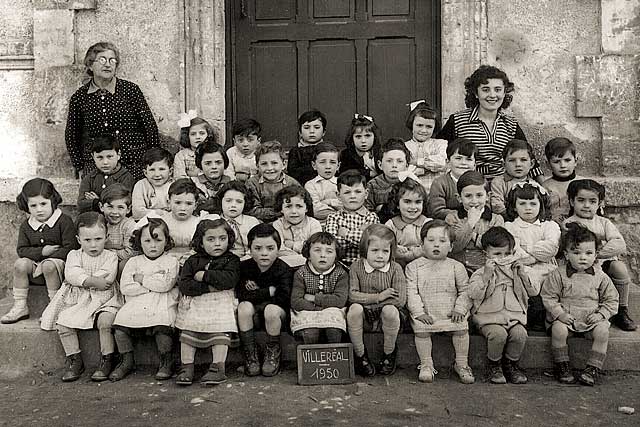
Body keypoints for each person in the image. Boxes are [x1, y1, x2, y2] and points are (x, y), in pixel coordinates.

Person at [41, 212, 122, 382]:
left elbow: (107, 278)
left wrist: (88, 280)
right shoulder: (74, 255)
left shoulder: (111, 256)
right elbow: (71, 274)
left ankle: (107, 358)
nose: (93, 245)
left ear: (106, 237)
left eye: (98, 239)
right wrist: (90, 280)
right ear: (79, 240)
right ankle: (74, 359)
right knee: (63, 322)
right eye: (87, 240)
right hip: (79, 298)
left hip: (104, 298)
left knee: (106, 322)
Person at [65, 42, 159, 180]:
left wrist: (152, 162)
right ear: (90, 65)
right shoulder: (79, 97)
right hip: (97, 166)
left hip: (133, 163)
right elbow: (72, 136)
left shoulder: (130, 90)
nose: (108, 64)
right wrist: (79, 166)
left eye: (112, 60)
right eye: (102, 59)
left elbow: (149, 127)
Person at [436, 65, 544, 183]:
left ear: (504, 93)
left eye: (497, 90)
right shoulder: (458, 121)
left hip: (504, 185)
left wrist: (543, 186)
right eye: (485, 90)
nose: (492, 95)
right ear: (476, 93)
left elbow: (529, 157)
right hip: (469, 186)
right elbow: (439, 152)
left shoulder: (511, 124)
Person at [541, 222, 619, 386]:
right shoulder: (558, 274)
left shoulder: (601, 276)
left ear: (596, 255)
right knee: (558, 330)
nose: (583, 257)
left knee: (603, 332)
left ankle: (592, 368)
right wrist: (559, 314)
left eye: (588, 253)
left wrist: (601, 314)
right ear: (566, 254)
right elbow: (549, 296)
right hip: (566, 318)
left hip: (591, 318)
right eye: (576, 252)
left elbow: (612, 300)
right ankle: (562, 365)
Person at [110, 216, 180, 381]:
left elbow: (166, 285)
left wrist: (142, 280)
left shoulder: (171, 261)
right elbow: (126, 287)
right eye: (147, 241)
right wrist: (153, 283)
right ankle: (126, 360)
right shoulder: (133, 262)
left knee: (162, 324)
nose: (153, 245)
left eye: (158, 240)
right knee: (121, 325)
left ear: (166, 241)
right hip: (136, 302)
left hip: (162, 301)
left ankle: (166, 360)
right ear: (139, 242)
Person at [405, 220, 474, 384]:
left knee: (461, 329)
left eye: (442, 241)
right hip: (426, 312)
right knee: (422, 331)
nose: (436, 245)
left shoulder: (456, 267)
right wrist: (419, 312)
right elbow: (411, 292)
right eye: (431, 241)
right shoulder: (413, 267)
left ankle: (462, 364)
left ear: (451, 246)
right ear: (422, 244)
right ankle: (426, 364)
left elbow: (466, 291)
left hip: (451, 311)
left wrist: (460, 309)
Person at [563, 179, 636, 331]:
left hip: (602, 264)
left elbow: (619, 243)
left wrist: (597, 254)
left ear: (600, 203)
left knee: (619, 268)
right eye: (581, 200)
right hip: (580, 268)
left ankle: (621, 310)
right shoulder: (568, 224)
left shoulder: (603, 223)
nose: (586, 205)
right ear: (571, 201)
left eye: (592, 201)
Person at [467, 226, 537, 384]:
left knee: (520, 334)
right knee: (498, 335)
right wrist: (486, 276)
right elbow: (473, 294)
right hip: (488, 318)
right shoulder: (481, 273)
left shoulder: (519, 271)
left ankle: (511, 364)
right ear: (486, 254)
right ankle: (494, 365)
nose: (503, 258)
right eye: (497, 254)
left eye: (507, 254)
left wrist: (523, 275)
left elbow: (533, 292)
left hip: (513, 317)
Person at [1, 179, 77, 324]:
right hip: (36, 271)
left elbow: (71, 249)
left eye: (43, 204)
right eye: (33, 205)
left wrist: (49, 258)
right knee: (20, 264)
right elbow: (22, 250)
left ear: (52, 201)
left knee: (48, 265)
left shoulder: (63, 221)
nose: (39, 210)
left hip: (57, 270)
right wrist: (43, 252)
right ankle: (20, 306)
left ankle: (54, 308)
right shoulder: (27, 225)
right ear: (27, 206)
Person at [175, 219, 240, 386]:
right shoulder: (192, 260)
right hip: (197, 302)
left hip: (221, 302)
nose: (217, 243)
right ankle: (187, 366)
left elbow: (229, 280)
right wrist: (210, 288)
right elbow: (185, 284)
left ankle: (218, 367)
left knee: (221, 329)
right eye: (211, 239)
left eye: (222, 238)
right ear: (201, 242)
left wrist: (204, 275)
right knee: (189, 330)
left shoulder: (231, 260)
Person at [347, 224, 407, 377]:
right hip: (364, 318)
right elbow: (352, 295)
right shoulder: (356, 267)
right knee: (354, 309)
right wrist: (379, 297)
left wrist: (372, 304)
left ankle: (389, 353)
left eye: (385, 251)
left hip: (386, 320)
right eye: (374, 250)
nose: (380, 255)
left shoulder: (395, 268)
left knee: (390, 310)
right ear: (365, 250)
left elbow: (400, 299)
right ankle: (360, 354)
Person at [237, 224, 294, 377]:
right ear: (249, 249)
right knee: (243, 307)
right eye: (258, 248)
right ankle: (250, 353)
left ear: (278, 249)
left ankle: (272, 351)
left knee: (271, 309)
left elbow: (283, 298)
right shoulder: (244, 268)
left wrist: (257, 292)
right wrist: (267, 291)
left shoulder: (283, 269)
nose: (264, 254)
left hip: (276, 317)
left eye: (270, 248)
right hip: (253, 316)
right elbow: (240, 294)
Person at [504, 182, 560, 332]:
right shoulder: (510, 227)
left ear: (540, 206)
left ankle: (545, 316)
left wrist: (531, 256)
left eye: (533, 203)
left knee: (550, 279)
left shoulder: (549, 226)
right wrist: (531, 255)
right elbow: (513, 248)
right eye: (522, 203)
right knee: (524, 276)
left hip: (546, 266)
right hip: (521, 266)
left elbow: (551, 246)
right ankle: (527, 314)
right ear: (515, 207)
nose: (528, 208)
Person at [290, 232, 349, 344]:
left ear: (336, 255)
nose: (323, 255)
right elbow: (296, 301)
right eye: (317, 250)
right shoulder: (301, 273)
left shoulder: (341, 274)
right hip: (307, 311)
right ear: (308, 254)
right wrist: (318, 310)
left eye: (329, 251)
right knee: (311, 331)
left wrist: (314, 298)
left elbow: (340, 300)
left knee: (334, 329)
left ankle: (334, 356)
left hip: (333, 312)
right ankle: (311, 359)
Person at [450, 171, 504, 273]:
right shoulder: (453, 218)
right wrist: (470, 223)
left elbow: (494, 247)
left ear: (488, 196)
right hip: (458, 270)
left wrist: (473, 235)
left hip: (485, 270)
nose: (474, 201)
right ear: (459, 198)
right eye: (468, 196)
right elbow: (454, 247)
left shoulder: (496, 219)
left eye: (479, 195)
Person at [325, 170, 379, 265]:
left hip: (365, 265)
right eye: (347, 192)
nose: (352, 196)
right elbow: (333, 245)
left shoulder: (371, 217)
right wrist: (360, 235)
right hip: (340, 265)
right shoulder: (333, 217)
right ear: (338, 195)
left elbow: (372, 244)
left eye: (358, 191)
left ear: (366, 193)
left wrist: (346, 233)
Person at [246, 140, 302, 222]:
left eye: (274, 163)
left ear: (284, 164)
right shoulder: (252, 184)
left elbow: (298, 206)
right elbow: (252, 210)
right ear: (257, 166)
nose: (269, 168)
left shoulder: (292, 184)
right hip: (260, 224)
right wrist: (279, 212)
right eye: (264, 164)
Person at [77, 134, 134, 213]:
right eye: (100, 157)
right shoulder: (89, 178)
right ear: (93, 156)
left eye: (110, 156)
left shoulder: (125, 177)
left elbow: (121, 205)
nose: (105, 162)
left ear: (118, 155)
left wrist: (97, 201)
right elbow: (81, 205)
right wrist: (104, 204)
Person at [427, 137, 477, 223]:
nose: (463, 163)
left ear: (475, 164)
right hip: (447, 223)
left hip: (475, 219)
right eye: (458, 158)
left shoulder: (479, 182)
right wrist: (461, 215)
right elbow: (436, 210)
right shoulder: (440, 183)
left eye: (469, 159)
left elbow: (484, 204)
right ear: (448, 162)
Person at [384, 178, 431, 267]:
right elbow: (385, 245)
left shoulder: (427, 224)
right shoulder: (391, 225)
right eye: (407, 202)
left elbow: (431, 246)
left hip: (422, 264)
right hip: (397, 264)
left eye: (417, 202)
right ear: (397, 204)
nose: (413, 207)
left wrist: (415, 253)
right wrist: (396, 249)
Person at [403, 100, 448, 191]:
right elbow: (404, 171)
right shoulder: (404, 147)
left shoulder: (440, 144)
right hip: (412, 193)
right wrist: (426, 169)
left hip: (437, 192)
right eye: (419, 125)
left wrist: (417, 162)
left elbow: (441, 163)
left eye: (429, 127)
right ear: (411, 125)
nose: (423, 130)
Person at [272, 186, 322, 265]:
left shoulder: (313, 224)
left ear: (306, 208)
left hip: (310, 265)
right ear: (281, 209)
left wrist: (293, 245)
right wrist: (302, 252)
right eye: (288, 206)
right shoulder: (277, 225)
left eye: (299, 206)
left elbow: (316, 248)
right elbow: (279, 250)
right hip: (285, 265)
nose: (294, 211)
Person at [365, 138, 412, 222]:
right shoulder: (372, 185)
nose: (394, 165)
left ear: (407, 165)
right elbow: (366, 211)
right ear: (380, 165)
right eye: (389, 161)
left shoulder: (411, 185)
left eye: (399, 161)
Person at [490, 139, 537, 216]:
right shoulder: (499, 182)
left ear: (531, 164)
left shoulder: (534, 185)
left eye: (523, 160)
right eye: (512, 160)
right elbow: (496, 206)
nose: (518, 164)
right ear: (504, 164)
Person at [162, 179, 201, 266]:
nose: (183, 208)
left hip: (191, 261)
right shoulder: (163, 221)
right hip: (166, 259)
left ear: (196, 205)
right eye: (178, 202)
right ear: (169, 202)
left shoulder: (198, 223)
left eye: (189, 203)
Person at [99, 184, 136, 274]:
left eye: (120, 207)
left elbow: (130, 252)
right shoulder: (99, 222)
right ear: (101, 207)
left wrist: (108, 253)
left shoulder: (129, 226)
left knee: (124, 264)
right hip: (101, 261)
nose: (115, 212)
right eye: (110, 207)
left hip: (120, 264)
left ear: (128, 209)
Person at [217, 181, 260, 258]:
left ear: (245, 203)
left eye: (239, 202)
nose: (233, 205)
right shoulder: (213, 221)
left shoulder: (252, 222)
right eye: (228, 201)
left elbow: (259, 245)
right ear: (221, 201)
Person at [542, 137, 581, 223]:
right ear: (548, 164)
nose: (563, 165)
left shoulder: (584, 184)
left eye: (567, 160)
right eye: (556, 162)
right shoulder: (545, 187)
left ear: (576, 160)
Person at [191, 139, 232, 215]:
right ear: (200, 165)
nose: (214, 167)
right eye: (208, 163)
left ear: (225, 163)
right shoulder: (193, 184)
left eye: (218, 162)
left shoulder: (231, 184)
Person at [131, 147, 174, 220]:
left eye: (161, 169)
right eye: (152, 170)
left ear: (170, 171)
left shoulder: (174, 185)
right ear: (145, 172)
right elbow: (137, 212)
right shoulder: (141, 185)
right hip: (147, 222)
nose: (157, 174)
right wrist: (160, 213)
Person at [287, 110, 327, 185]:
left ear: (324, 132)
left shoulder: (327, 150)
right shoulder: (295, 151)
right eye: (307, 127)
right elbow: (293, 173)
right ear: (300, 133)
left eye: (316, 127)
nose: (312, 131)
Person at [174, 111, 217, 179]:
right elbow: (179, 177)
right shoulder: (181, 155)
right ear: (187, 136)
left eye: (202, 133)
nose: (198, 137)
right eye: (193, 134)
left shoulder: (213, 153)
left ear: (208, 135)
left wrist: (193, 174)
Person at [305, 143, 342, 221]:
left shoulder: (342, 183)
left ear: (338, 166)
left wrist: (328, 202)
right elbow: (316, 211)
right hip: (319, 224)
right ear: (314, 165)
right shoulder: (310, 185)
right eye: (322, 162)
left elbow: (349, 206)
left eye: (332, 162)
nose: (328, 167)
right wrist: (338, 208)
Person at [338, 114, 381, 181]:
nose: (363, 141)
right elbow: (345, 172)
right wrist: (368, 173)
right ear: (352, 138)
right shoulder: (346, 155)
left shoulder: (380, 153)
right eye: (358, 136)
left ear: (374, 137)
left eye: (367, 136)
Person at [226, 118, 261, 182]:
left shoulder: (261, 153)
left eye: (250, 140)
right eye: (240, 140)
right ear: (234, 141)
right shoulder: (231, 153)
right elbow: (228, 172)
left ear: (258, 141)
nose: (245, 144)